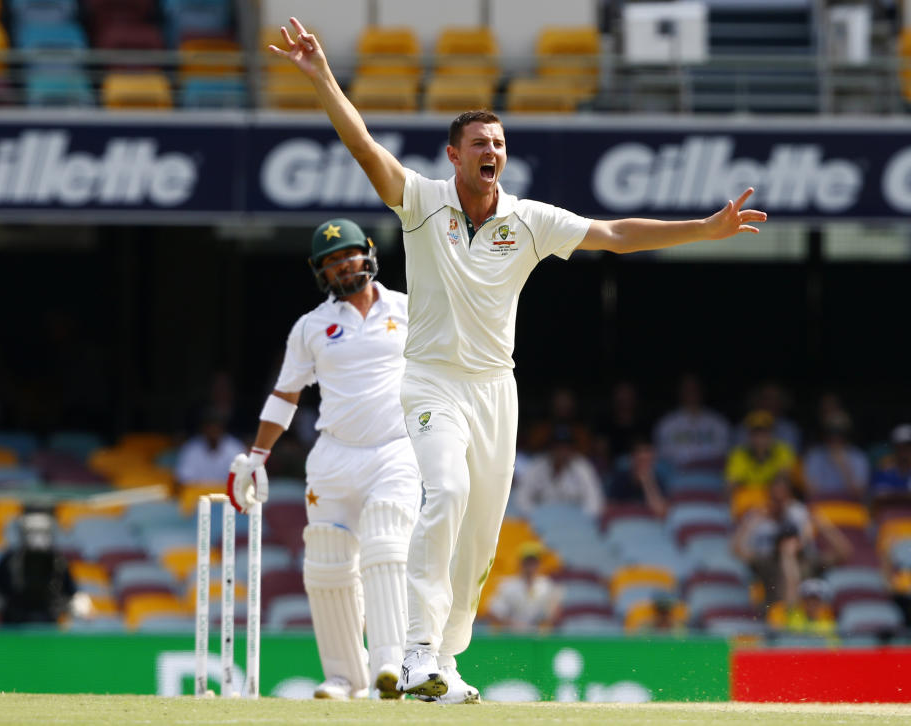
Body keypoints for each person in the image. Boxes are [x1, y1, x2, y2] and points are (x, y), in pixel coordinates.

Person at [268, 15, 767, 704]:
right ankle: (413, 652)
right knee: (442, 494)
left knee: (478, 539)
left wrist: (705, 229)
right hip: (432, 382)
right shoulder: (422, 203)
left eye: (499, 143)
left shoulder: (529, 221)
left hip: (495, 392)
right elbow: (362, 146)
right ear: (453, 154)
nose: (491, 151)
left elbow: (615, 234)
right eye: (479, 142)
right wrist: (323, 77)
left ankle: (443, 660)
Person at [226, 219, 421, 700]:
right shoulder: (312, 326)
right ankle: (343, 676)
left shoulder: (409, 309)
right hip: (333, 456)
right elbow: (285, 395)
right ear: (320, 272)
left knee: (385, 546)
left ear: (368, 254)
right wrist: (257, 456)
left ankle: (390, 666)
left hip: (396, 449)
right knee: (328, 564)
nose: (341, 266)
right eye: (331, 262)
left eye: (348, 255)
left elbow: (450, 372)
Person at [732, 474, 850, 606]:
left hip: (805, 620)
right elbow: (737, 551)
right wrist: (751, 522)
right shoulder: (768, 561)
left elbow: (844, 552)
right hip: (774, 621)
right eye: (785, 539)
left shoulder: (809, 561)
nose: (789, 543)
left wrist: (822, 525)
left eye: (792, 539)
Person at [0, 510, 89, 624]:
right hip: (13, 624)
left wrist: (78, 605)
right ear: (23, 533)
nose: (38, 538)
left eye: (42, 532)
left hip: (47, 624)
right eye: (32, 532)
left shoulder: (57, 561)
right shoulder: (9, 560)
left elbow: (72, 592)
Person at [513, 425, 604, 517]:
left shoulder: (583, 468)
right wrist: (536, 514)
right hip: (540, 521)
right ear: (550, 448)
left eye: (565, 447)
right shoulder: (537, 466)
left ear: (572, 449)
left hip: (573, 522)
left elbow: (595, 502)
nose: (561, 451)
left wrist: (578, 517)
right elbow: (521, 497)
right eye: (557, 447)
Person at [654, 374, 732, 470]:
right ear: (680, 392)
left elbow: (724, 452)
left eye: (694, 388)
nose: (691, 392)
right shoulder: (667, 423)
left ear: (701, 391)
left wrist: (699, 463)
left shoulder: (718, 422)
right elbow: (663, 455)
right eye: (687, 388)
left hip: (711, 474)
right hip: (677, 475)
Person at [485, 542, 562, 633]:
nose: (531, 566)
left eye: (534, 562)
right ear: (521, 563)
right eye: (528, 562)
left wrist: (545, 622)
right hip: (511, 638)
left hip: (536, 640)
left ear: (539, 564)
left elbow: (553, 614)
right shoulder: (508, 586)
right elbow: (493, 612)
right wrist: (512, 625)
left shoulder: (546, 586)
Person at [725, 410, 797, 493]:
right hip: (749, 500)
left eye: (764, 433)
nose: (760, 439)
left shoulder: (783, 451)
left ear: (771, 434)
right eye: (756, 434)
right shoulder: (739, 454)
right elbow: (731, 486)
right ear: (749, 436)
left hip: (774, 499)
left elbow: (784, 481)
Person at [802, 410, 869, 500]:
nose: (835, 437)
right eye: (831, 431)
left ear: (847, 433)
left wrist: (843, 466)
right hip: (821, 506)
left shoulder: (858, 457)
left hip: (850, 507)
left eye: (839, 432)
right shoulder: (814, 456)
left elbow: (860, 494)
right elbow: (810, 492)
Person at [174, 408, 245, 484]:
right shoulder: (191, 449)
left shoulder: (235, 448)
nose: (213, 430)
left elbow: (240, 480)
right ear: (202, 428)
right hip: (196, 494)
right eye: (209, 426)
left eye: (216, 426)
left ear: (223, 428)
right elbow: (183, 479)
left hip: (226, 494)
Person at [607, 437, 668, 518]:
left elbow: (661, 513)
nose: (644, 465)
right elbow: (609, 510)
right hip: (626, 522)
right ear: (632, 458)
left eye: (648, 461)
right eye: (641, 461)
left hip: (649, 525)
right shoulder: (620, 479)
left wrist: (647, 482)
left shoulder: (659, 480)